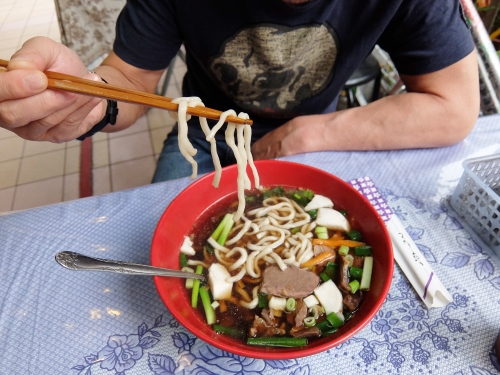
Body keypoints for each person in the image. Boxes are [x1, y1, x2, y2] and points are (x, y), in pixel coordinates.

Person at [0, 0, 480, 182]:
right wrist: (83, 97)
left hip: (320, 137)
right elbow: (129, 80)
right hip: (204, 139)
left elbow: (454, 108)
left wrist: (307, 135)